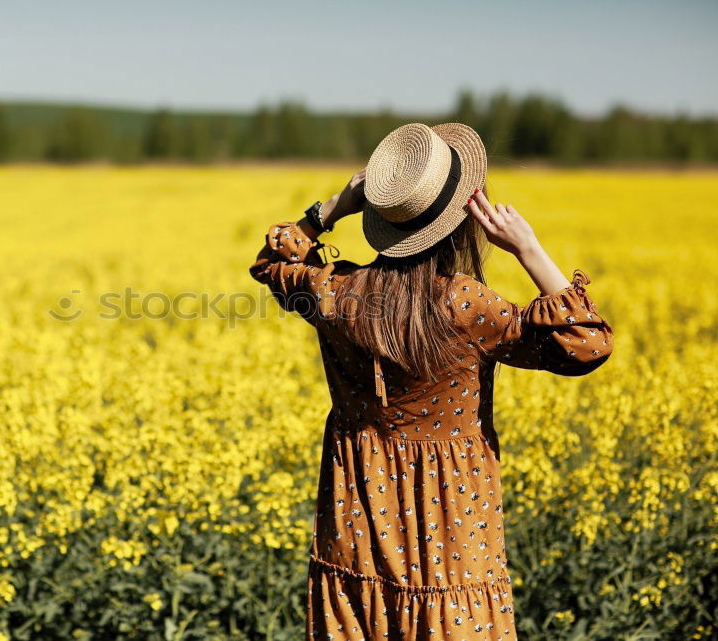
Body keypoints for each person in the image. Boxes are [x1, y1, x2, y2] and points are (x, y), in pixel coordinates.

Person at [249, 123, 614, 639]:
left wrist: (330, 208)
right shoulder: (465, 306)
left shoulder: (336, 293)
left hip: (356, 515)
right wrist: (528, 249)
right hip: (453, 521)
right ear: (462, 217)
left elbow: (272, 263)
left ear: (379, 217)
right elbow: (587, 344)